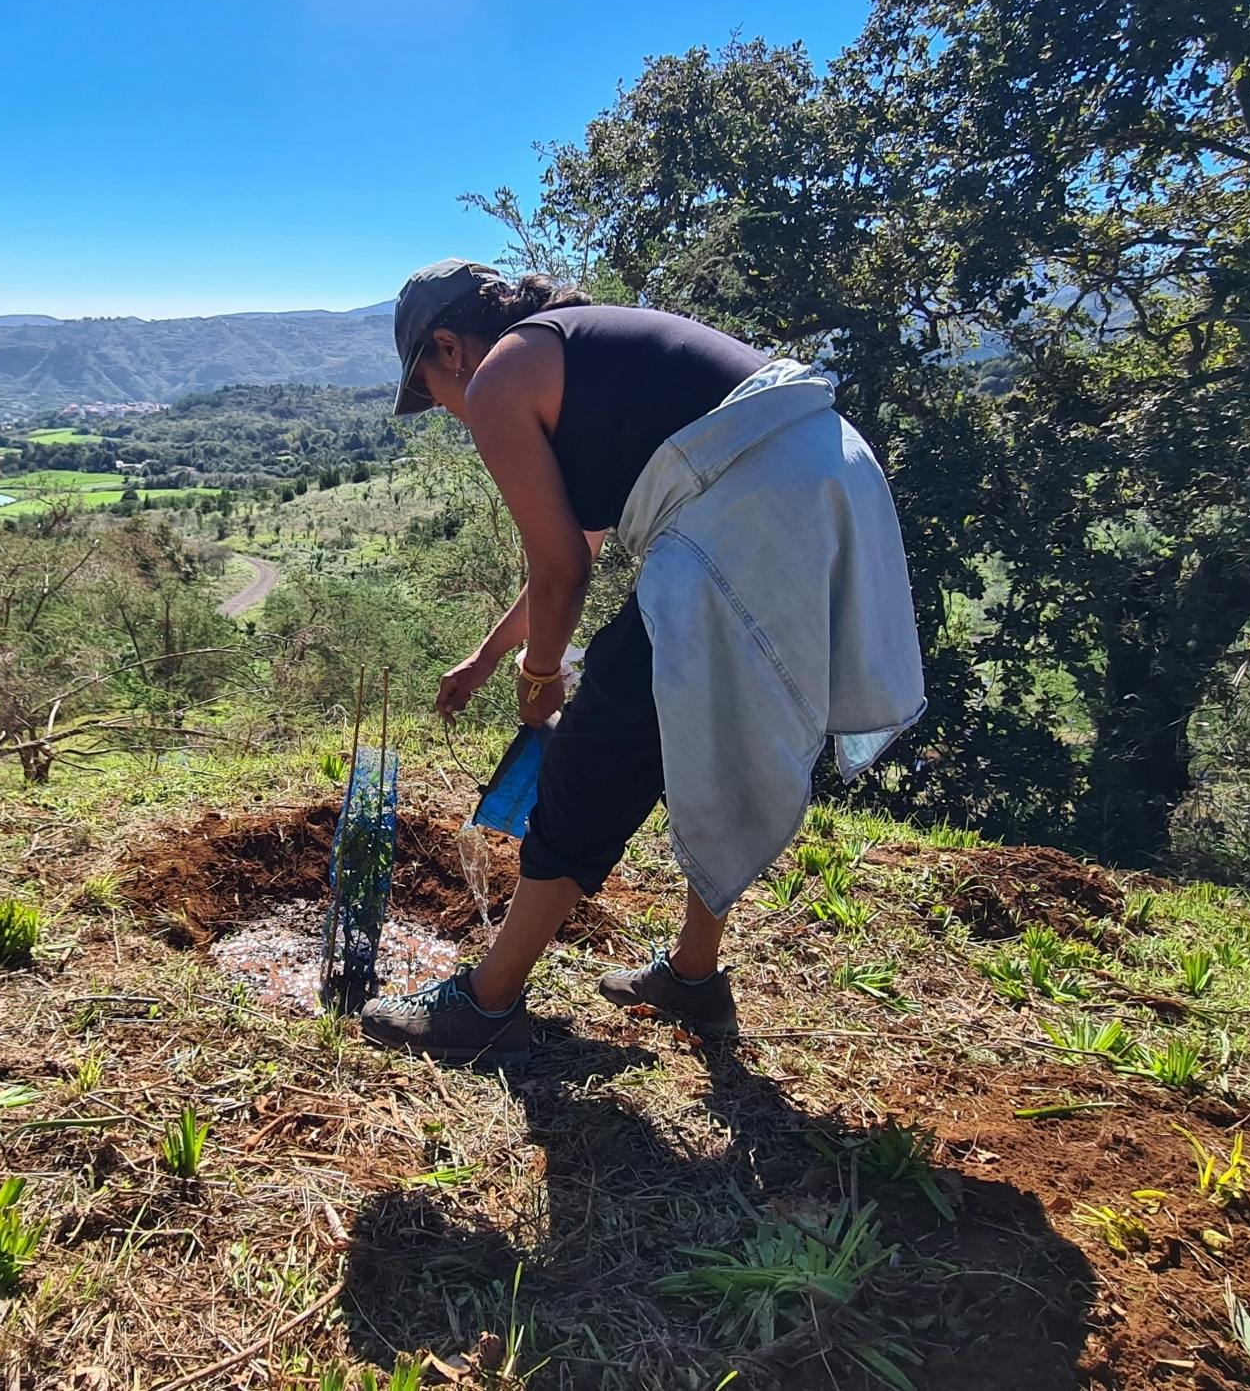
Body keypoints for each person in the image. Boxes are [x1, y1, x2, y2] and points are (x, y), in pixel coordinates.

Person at [359, 259, 925, 1065]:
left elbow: (564, 572)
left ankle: (484, 1005)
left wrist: (541, 679)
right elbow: (569, 545)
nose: (451, 412)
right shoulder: (575, 357)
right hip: (825, 484)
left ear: (448, 347)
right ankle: (693, 976)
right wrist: (492, 655)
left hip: (754, 509)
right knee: (705, 730)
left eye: (431, 390)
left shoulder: (500, 379)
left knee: (594, 752)